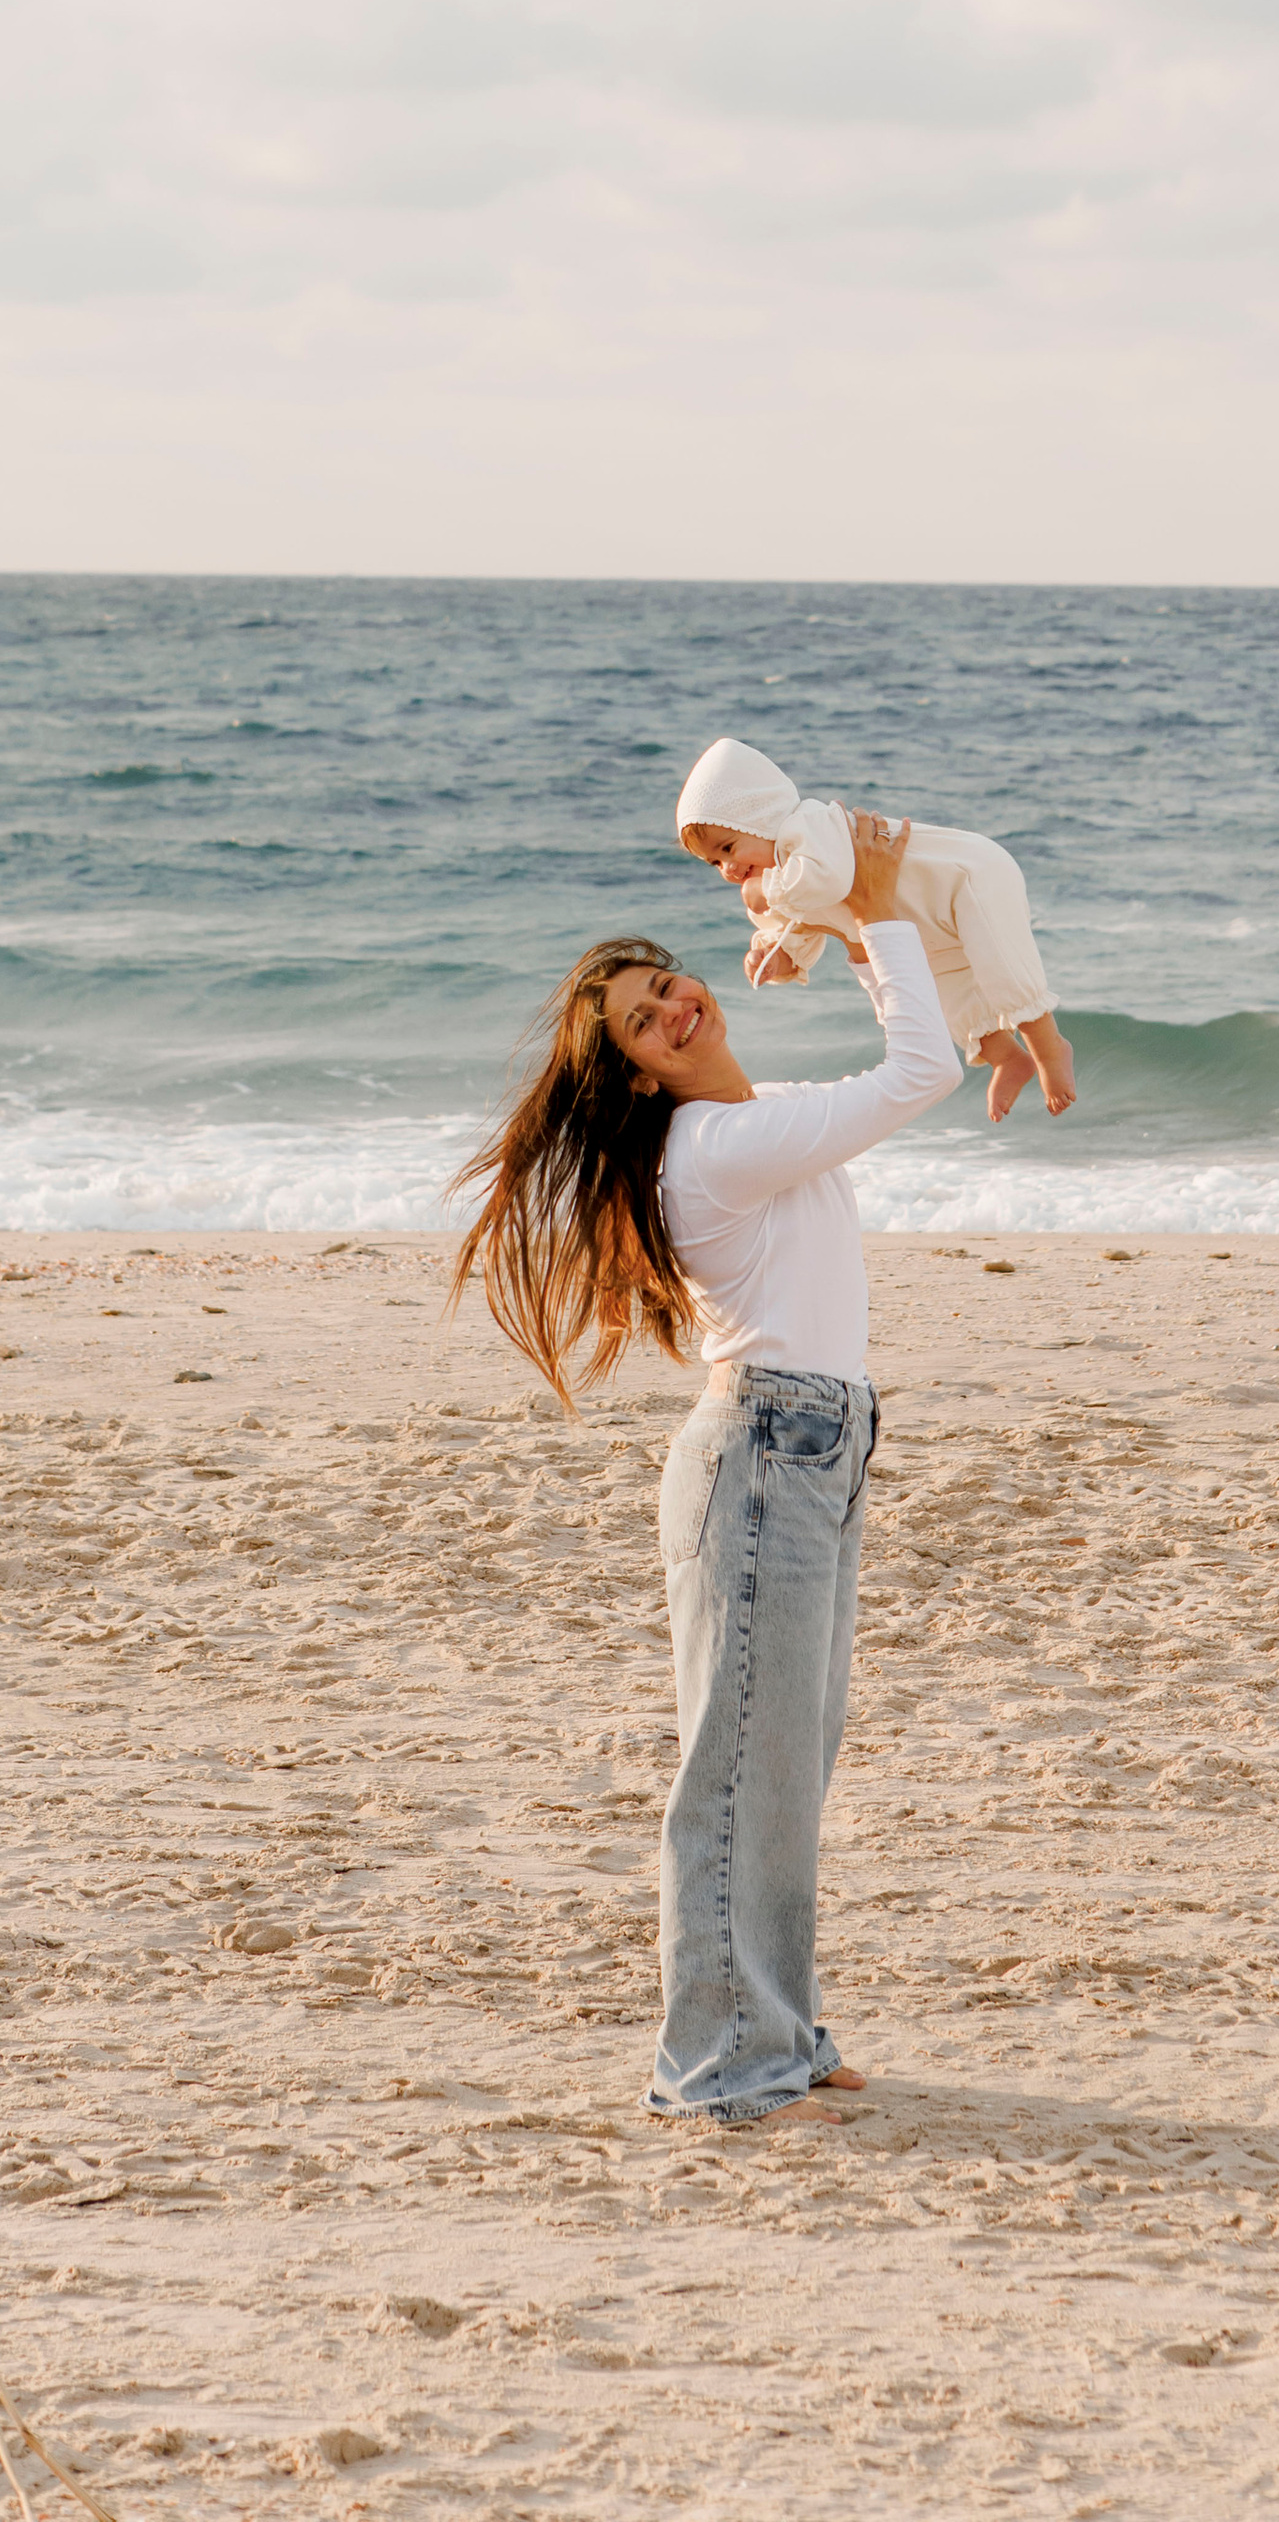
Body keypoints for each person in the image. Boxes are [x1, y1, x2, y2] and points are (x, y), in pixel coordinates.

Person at [450, 810, 959, 2129]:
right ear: (631, 1078)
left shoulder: (760, 1117)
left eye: (664, 982)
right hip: (765, 1460)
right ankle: (720, 2065)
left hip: (819, 1451)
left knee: (784, 1765)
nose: (673, 1003)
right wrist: (879, 909)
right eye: (637, 1020)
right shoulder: (716, 1150)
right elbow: (921, 1073)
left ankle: (776, 2034)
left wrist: (827, 926)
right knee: (738, 1773)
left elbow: (884, 1071)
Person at [673, 735, 1076, 1124]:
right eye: (714, 863)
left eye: (728, 848)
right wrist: (776, 955)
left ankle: (1050, 1049)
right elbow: (798, 925)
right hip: (921, 925)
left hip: (970, 880)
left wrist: (766, 889)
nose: (727, 869)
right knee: (949, 996)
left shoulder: (808, 827)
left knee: (1003, 972)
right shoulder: (783, 877)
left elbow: (824, 881)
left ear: (760, 817)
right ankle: (1007, 1057)